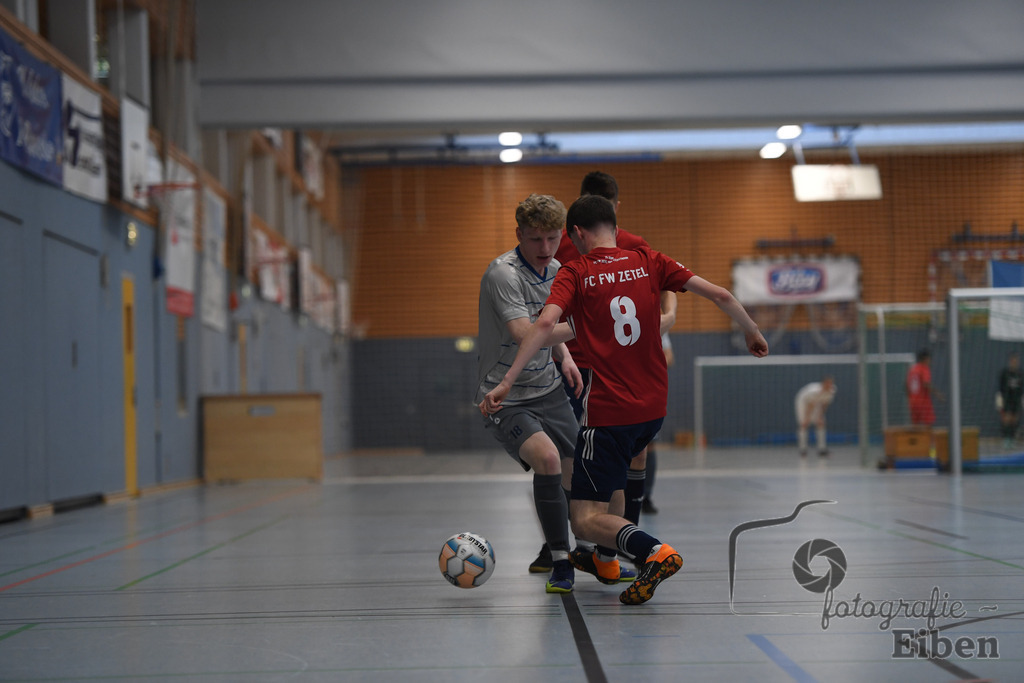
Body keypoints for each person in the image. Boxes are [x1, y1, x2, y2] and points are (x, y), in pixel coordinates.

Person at [481, 195, 768, 605]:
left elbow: (543, 324)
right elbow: (721, 294)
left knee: (583, 517)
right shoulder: (648, 260)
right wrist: (752, 331)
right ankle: (608, 561)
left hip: (610, 413)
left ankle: (653, 552)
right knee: (612, 483)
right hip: (653, 411)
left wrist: (507, 381)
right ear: (614, 226)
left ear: (576, 234)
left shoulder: (577, 272)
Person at [554, 171, 677, 531]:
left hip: (620, 362)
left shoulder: (633, 244)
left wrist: (667, 316)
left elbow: (665, 277)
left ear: (615, 210)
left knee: (633, 451)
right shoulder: (560, 244)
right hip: (571, 361)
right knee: (569, 455)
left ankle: (624, 535)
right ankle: (569, 540)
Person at [475, 193, 582, 594]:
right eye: (536, 239)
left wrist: (566, 355)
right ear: (519, 233)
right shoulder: (503, 274)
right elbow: (525, 333)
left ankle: (579, 548)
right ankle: (560, 561)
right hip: (505, 395)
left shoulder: (556, 269)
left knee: (577, 469)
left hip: (548, 389)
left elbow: (549, 321)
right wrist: (587, 329)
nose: (545, 248)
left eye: (553, 238)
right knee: (548, 458)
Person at [794, 377, 837, 457]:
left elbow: (825, 404)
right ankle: (803, 449)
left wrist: (820, 416)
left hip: (816, 402)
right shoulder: (814, 392)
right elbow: (810, 405)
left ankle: (822, 449)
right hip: (803, 401)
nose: (830, 386)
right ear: (823, 384)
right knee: (804, 424)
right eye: (828, 384)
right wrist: (807, 418)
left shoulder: (832, 391)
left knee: (821, 423)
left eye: (831, 384)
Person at [997, 351, 1023, 447]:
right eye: (1013, 360)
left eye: (1016, 360)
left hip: (1016, 400)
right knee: (1007, 419)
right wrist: (1000, 400)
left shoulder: (1020, 374)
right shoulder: (1005, 373)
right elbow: (1000, 387)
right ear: (1010, 361)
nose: (1015, 362)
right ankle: (1006, 439)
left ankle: (1012, 438)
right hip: (1007, 400)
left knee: (1014, 420)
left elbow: (1021, 388)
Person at [907, 349, 936, 428]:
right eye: (929, 359)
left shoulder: (912, 369)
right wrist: (937, 393)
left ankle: (915, 440)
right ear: (925, 359)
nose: (930, 361)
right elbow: (926, 383)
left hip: (913, 402)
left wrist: (910, 398)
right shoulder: (924, 368)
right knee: (929, 422)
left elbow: (906, 385)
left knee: (915, 424)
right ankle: (929, 440)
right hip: (923, 401)